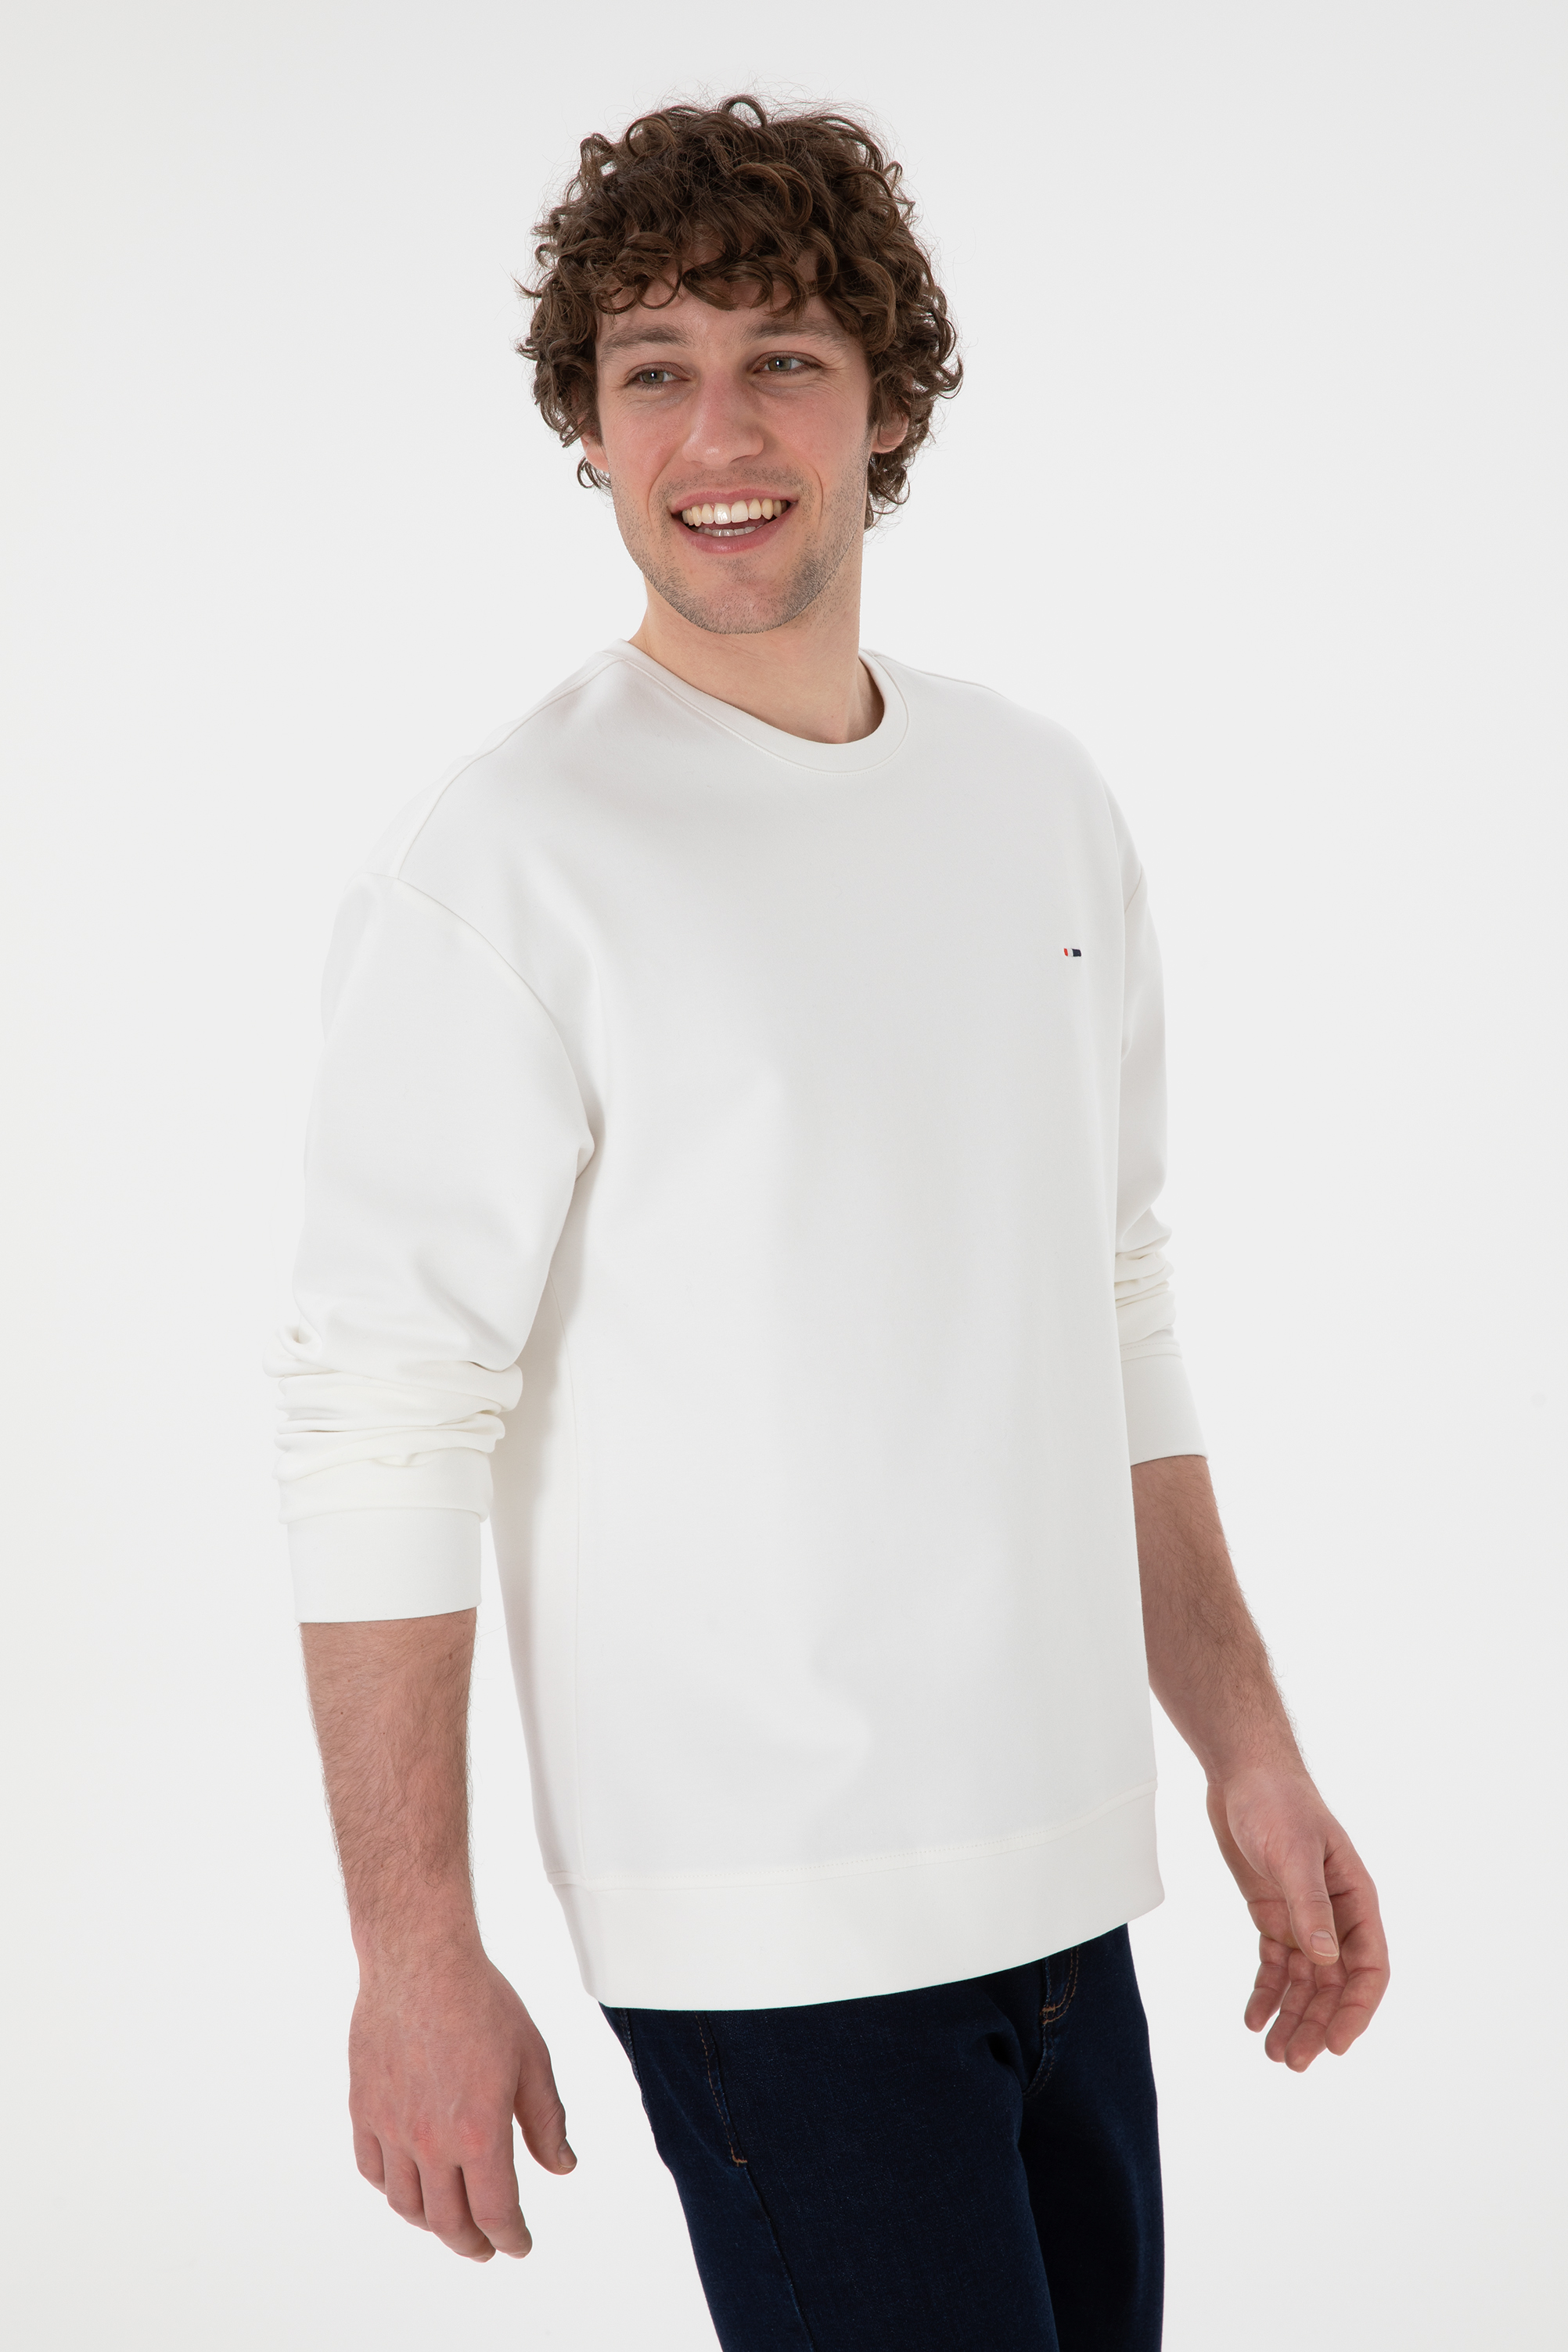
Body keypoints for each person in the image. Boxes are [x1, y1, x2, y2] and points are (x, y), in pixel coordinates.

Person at [268, 94, 1390, 2352]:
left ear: (886, 401)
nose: (719, 433)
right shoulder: (505, 863)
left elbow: (1110, 1296)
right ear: (587, 426)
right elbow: (379, 1418)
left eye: (782, 356)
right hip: (767, 1929)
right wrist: (412, 1951)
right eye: (652, 369)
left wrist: (1245, 1746)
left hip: (1065, 1885)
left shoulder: (1035, 797)